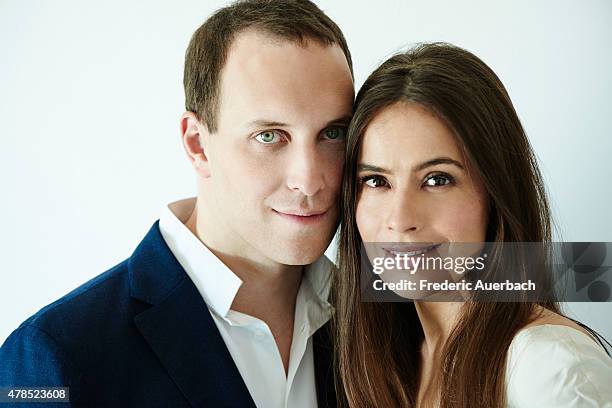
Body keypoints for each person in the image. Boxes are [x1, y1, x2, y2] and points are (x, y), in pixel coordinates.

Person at [0, 1, 354, 407]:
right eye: (270, 136)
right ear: (197, 143)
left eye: (333, 133)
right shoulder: (52, 354)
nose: (310, 179)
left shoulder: (378, 311)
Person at [333, 42, 612, 407]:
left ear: (496, 191)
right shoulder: (393, 364)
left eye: (437, 179)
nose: (400, 220)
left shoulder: (550, 366)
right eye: (376, 181)